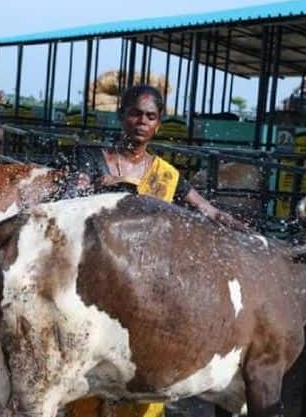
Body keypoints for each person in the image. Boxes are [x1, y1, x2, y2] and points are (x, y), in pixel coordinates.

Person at [62, 84, 244, 417]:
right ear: (121, 117)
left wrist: (230, 223)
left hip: (146, 297)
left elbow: (205, 209)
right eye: (135, 113)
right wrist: (109, 188)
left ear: (158, 125)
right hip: (97, 290)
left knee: (144, 380)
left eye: (150, 116)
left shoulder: (168, 176)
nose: (141, 122)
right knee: (88, 380)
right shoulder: (93, 160)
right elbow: (72, 196)